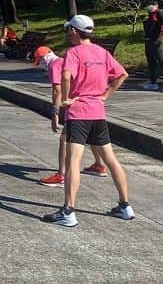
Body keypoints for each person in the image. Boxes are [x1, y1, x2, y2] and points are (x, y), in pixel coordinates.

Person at [43, 15, 134, 228]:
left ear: (75, 31)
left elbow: (66, 76)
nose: (68, 34)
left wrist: (65, 100)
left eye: (69, 30)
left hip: (79, 112)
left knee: (73, 161)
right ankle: (125, 206)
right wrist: (105, 94)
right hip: (97, 112)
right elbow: (122, 74)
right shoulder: (102, 52)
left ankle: (68, 211)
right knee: (111, 160)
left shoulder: (73, 53)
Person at [34, 45, 108, 187]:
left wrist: (55, 113)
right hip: (91, 102)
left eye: (40, 62)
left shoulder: (54, 66)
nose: (42, 66)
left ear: (44, 58)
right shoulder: (64, 61)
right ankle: (99, 165)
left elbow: (57, 90)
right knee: (92, 134)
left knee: (65, 139)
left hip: (76, 106)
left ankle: (61, 175)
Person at [142, 2, 163, 93]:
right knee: (151, 62)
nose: (149, 6)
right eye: (148, 5)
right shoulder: (149, 16)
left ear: (156, 5)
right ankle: (153, 82)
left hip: (157, 41)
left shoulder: (159, 13)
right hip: (149, 41)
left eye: (151, 5)